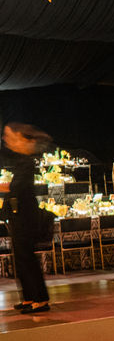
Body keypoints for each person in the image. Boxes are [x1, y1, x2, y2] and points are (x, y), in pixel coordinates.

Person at [0, 121, 55, 312]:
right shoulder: (21, 161)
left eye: (10, 136)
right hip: (18, 217)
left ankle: (40, 299)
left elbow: (19, 187)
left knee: (27, 259)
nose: (7, 141)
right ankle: (29, 297)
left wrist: (3, 187)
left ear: (23, 139)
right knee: (21, 259)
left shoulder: (28, 161)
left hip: (26, 217)